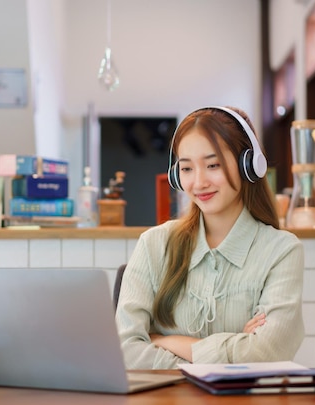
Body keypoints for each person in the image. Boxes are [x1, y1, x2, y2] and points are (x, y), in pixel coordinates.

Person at [115, 106, 304, 369]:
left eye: (213, 165)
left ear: (248, 165)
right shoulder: (154, 245)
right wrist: (231, 352)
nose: (199, 182)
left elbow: (270, 352)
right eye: (187, 169)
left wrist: (166, 341)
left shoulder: (281, 251)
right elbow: (125, 350)